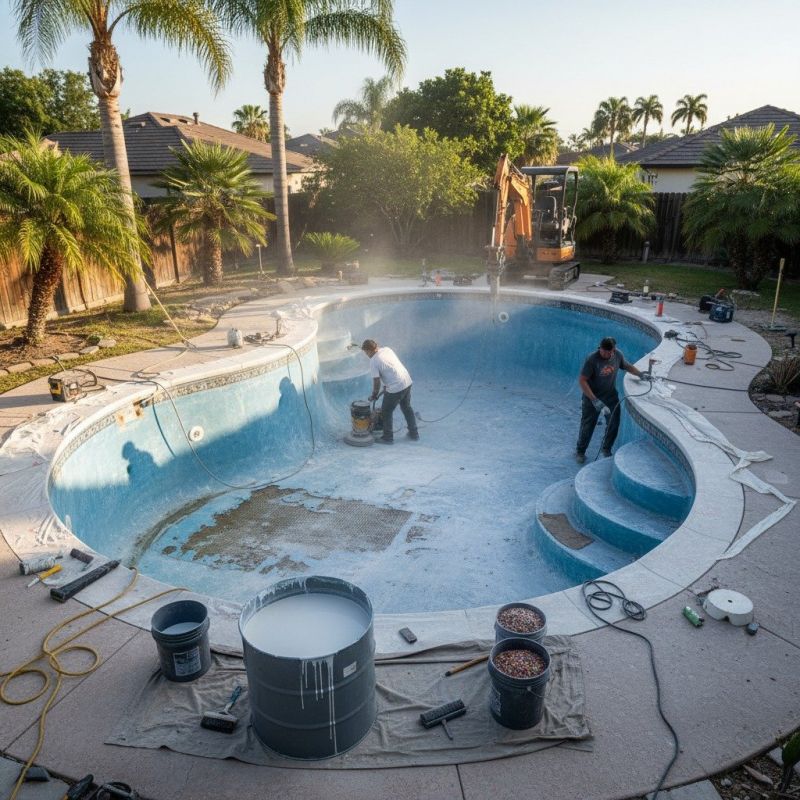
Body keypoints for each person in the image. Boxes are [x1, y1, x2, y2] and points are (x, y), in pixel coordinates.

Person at [575, 336, 645, 463]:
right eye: (603, 351)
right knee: (588, 425)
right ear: (599, 348)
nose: (605, 354)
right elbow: (582, 380)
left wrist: (640, 374)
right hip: (592, 397)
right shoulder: (592, 360)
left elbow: (627, 366)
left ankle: (606, 449)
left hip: (610, 396)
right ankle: (580, 451)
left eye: (608, 352)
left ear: (614, 350)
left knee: (613, 423)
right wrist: (594, 400)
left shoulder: (618, 355)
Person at [361, 339, 419, 444]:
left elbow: (376, 381)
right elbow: (390, 368)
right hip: (406, 381)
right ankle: (414, 433)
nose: (366, 355)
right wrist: (386, 386)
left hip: (395, 387)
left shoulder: (373, 361)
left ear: (369, 351)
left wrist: (374, 395)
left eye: (366, 352)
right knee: (406, 408)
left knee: (386, 411)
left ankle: (388, 437)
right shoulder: (387, 349)